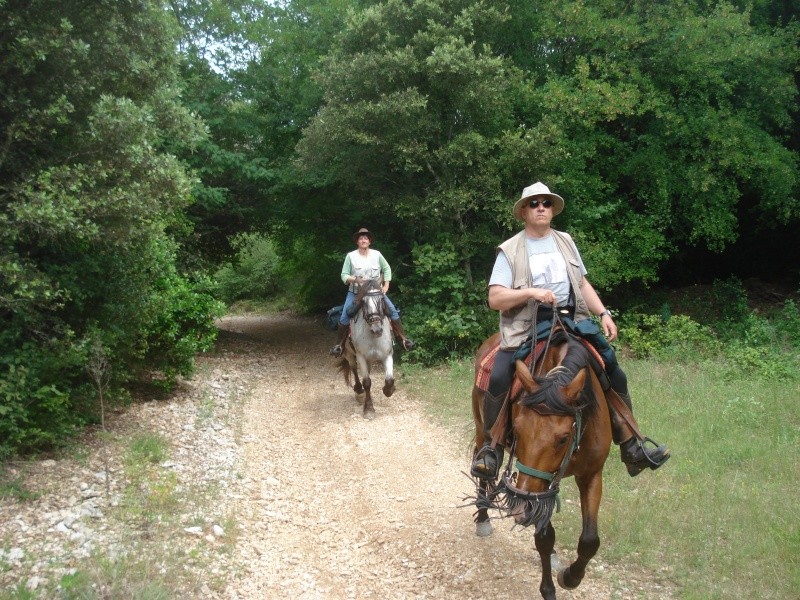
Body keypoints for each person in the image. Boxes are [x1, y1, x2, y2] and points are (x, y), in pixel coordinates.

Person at [471, 182, 670, 480]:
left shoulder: (565, 241)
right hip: (527, 327)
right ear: (524, 211)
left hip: (570, 322)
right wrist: (531, 293)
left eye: (546, 203)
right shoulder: (510, 250)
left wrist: (603, 312)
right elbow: (495, 298)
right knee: (499, 374)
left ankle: (631, 445)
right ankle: (492, 448)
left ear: (552, 210)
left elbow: (582, 284)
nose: (541, 208)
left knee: (612, 368)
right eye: (534, 203)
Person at [330, 228, 416, 357]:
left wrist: (386, 285)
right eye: (360, 238)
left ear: (369, 241)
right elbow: (344, 275)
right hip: (356, 293)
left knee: (392, 310)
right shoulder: (351, 256)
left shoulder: (377, 254)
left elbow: (386, 269)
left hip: (375, 293)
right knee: (344, 316)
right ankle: (339, 346)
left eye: (365, 238)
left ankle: (403, 340)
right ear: (357, 242)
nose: (363, 240)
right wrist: (355, 279)